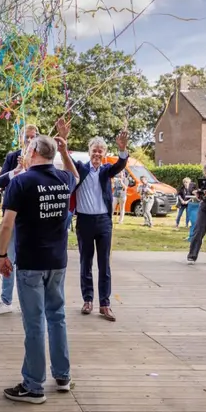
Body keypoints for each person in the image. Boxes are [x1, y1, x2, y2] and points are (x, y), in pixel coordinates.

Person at [0, 129, 79, 404]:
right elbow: (76, 176)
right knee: (57, 317)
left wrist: (1, 255)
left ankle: (33, 385)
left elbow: (7, 223)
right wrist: (65, 152)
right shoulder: (64, 178)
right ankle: (63, 375)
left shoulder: (21, 183)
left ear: (32, 152)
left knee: (34, 323)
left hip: (31, 261)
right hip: (58, 261)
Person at [71, 122, 129, 322]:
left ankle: (105, 304)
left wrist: (122, 150)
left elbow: (120, 165)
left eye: (100, 151)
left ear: (104, 154)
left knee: (104, 264)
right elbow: (67, 162)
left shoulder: (106, 171)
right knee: (85, 262)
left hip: (103, 221)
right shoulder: (80, 169)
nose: (97, 154)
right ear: (89, 152)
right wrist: (63, 141)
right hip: (85, 221)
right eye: (94, 151)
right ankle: (88, 300)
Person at [0, 124, 39, 316]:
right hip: (13, 215)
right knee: (8, 256)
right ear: (21, 138)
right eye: (27, 137)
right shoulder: (12, 157)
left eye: (33, 137)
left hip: (34, 217)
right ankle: (6, 300)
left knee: (32, 259)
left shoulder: (40, 158)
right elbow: (0, 182)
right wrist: (16, 170)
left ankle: (32, 302)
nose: (30, 141)